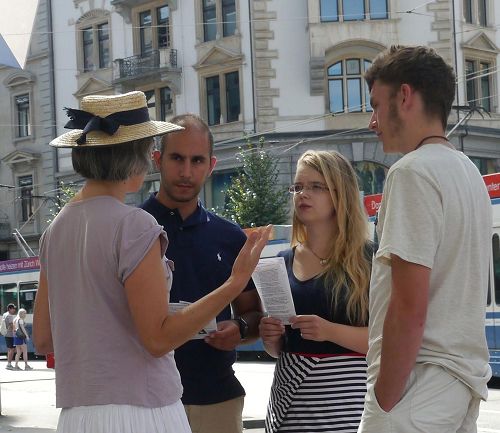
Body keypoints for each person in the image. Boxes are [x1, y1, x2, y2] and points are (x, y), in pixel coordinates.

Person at [33, 91, 271, 433]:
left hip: (78, 415)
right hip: (142, 409)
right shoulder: (134, 224)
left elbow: (44, 339)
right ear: (137, 156)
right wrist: (234, 283)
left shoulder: (55, 230)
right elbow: (157, 340)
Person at [358, 45, 491, 433]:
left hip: (417, 386)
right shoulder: (468, 174)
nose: (372, 121)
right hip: (460, 383)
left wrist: (383, 400)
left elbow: (408, 306)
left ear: (404, 95)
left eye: (376, 105)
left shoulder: (411, 173)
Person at [141, 113, 264, 433]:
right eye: (176, 158)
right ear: (157, 160)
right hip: (147, 400)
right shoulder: (133, 229)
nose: (186, 171)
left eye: (196, 161)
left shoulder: (230, 236)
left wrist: (239, 327)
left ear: (211, 165)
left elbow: (254, 315)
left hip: (217, 399)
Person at [259, 150, 372, 432]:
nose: (302, 194)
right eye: (297, 187)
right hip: (290, 409)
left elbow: (389, 341)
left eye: (315, 187)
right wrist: (271, 339)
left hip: (348, 413)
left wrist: (330, 331)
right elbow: (279, 350)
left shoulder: (370, 261)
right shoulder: (280, 263)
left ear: (340, 194)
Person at [3, 303, 17, 369]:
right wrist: (16, 330)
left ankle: (9, 364)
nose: (14, 310)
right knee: (12, 349)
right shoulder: (10, 316)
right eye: (13, 308)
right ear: (9, 309)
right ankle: (9, 364)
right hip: (10, 335)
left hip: (6, 334)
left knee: (10, 350)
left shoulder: (4, 314)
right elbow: (11, 325)